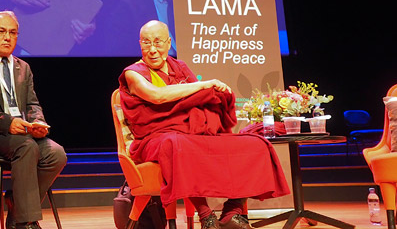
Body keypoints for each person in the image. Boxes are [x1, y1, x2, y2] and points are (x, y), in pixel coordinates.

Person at [118, 21, 289, 229]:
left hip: (190, 133)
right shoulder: (133, 73)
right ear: (139, 43)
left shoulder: (178, 67)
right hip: (154, 139)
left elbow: (199, 100)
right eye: (146, 43)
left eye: (158, 42)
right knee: (177, 145)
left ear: (169, 42)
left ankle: (233, 211)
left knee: (254, 144)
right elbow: (157, 96)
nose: (152, 49)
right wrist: (204, 84)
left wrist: (216, 93)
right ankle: (206, 216)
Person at [0, 11, 67, 229]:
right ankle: (25, 223)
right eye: (1, 31)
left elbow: (32, 104)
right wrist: (7, 123)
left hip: (21, 133)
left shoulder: (23, 67)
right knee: (27, 147)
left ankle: (16, 207)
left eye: (13, 32)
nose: (7, 37)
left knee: (56, 154)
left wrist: (38, 123)